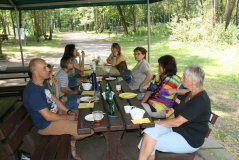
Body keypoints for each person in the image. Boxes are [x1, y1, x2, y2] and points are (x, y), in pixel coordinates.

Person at [23, 58, 93, 160]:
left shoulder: (41, 84)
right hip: (47, 125)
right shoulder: (33, 91)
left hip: (56, 115)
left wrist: (68, 111)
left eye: (47, 66)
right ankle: (70, 140)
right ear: (35, 72)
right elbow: (48, 116)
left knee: (87, 116)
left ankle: (70, 135)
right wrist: (67, 117)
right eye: (44, 68)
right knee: (89, 129)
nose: (48, 70)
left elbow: (54, 99)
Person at [138, 65, 211, 160]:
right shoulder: (189, 93)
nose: (181, 78)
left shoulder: (200, 100)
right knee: (149, 132)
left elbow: (177, 122)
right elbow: (174, 114)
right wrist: (159, 124)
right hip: (177, 129)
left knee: (150, 141)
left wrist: (157, 122)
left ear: (194, 81)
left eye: (184, 77)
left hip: (189, 139)